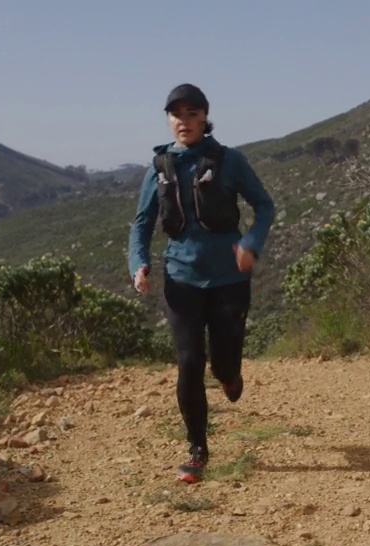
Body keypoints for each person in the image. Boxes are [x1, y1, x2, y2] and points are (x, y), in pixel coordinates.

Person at [128, 82, 275, 484]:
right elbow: (141, 224)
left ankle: (229, 375)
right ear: (168, 119)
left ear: (204, 118)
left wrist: (251, 243)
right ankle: (197, 449)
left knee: (222, 362)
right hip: (181, 279)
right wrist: (139, 264)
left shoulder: (230, 161)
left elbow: (264, 205)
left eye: (193, 114)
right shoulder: (159, 169)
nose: (185, 121)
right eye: (177, 114)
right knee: (189, 363)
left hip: (229, 277)